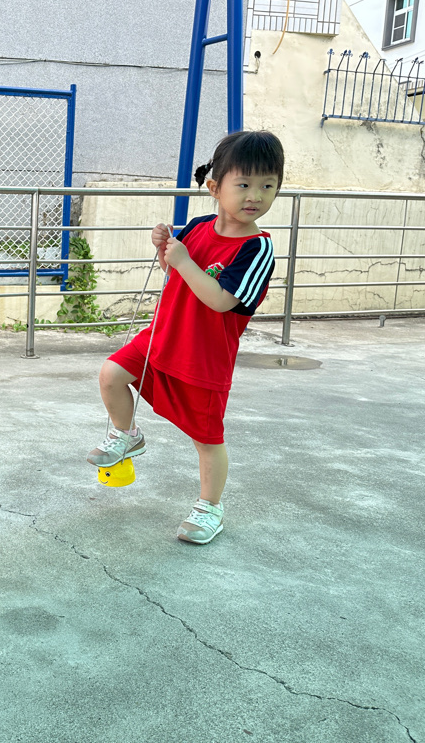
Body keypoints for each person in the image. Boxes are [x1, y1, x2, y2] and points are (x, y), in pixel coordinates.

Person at [87, 130, 284, 545]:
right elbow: (173, 274)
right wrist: (165, 250)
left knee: (207, 440)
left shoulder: (256, 249)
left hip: (203, 359)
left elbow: (221, 300)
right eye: (244, 184)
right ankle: (127, 434)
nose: (255, 196)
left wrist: (183, 261)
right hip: (163, 336)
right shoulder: (197, 226)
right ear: (215, 187)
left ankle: (210, 508)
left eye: (268, 186)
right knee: (111, 374)